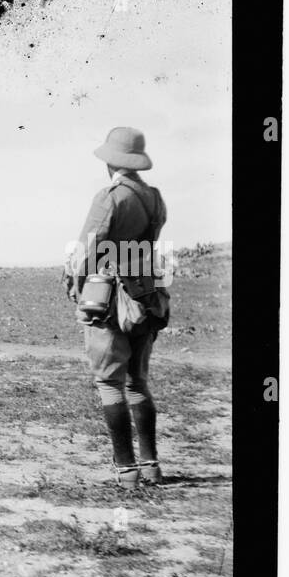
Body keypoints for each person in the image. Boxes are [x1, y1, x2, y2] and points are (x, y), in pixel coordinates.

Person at [69, 126, 170, 489]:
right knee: (137, 382)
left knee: (109, 383)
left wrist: (79, 288)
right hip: (147, 294)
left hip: (110, 300)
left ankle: (126, 471)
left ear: (110, 162)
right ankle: (151, 466)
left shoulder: (110, 197)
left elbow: (86, 252)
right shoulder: (155, 197)